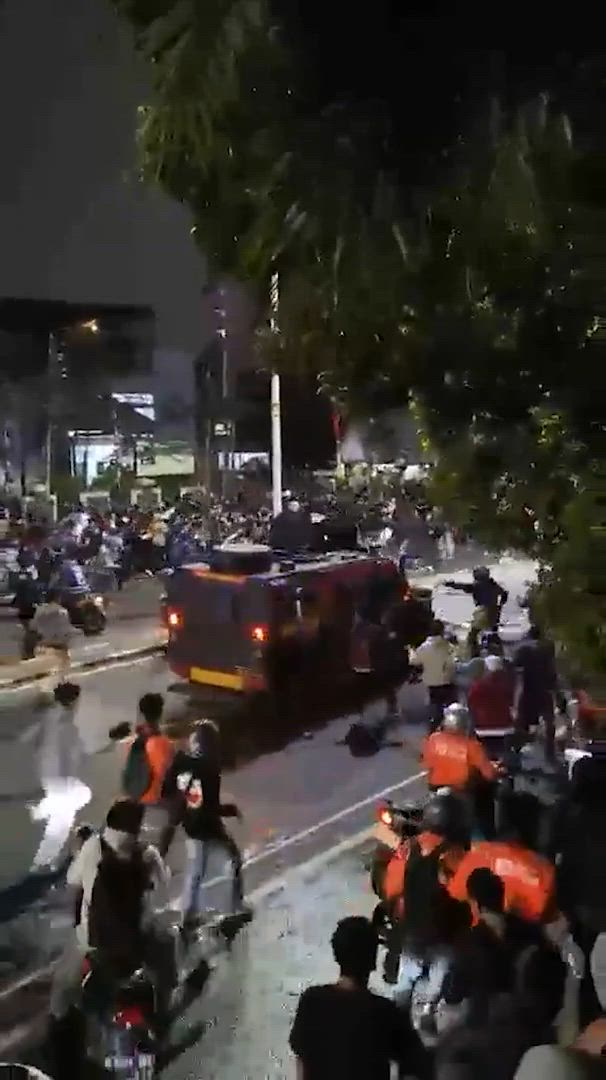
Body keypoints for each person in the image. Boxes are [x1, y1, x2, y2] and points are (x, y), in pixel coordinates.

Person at [48, 799, 174, 1067]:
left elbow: (72, 882)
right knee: (165, 967)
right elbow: (163, 888)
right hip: (136, 945)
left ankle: (61, 1055)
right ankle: (160, 1029)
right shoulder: (146, 853)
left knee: (61, 992)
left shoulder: (93, 848)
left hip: (93, 943)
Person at [289, 915, 427, 1080]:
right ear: (372, 959)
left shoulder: (311, 1001)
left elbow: (302, 1062)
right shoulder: (385, 1012)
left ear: (337, 955)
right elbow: (417, 1065)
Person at [161, 720, 249, 929]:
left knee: (196, 871)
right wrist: (227, 810)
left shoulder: (183, 765)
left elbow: (173, 794)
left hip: (191, 825)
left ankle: (189, 916)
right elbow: (208, 804)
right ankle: (235, 907)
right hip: (207, 825)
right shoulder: (209, 767)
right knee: (233, 860)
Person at [381, 791, 470, 991]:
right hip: (438, 933)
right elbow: (462, 894)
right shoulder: (454, 853)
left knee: (404, 982)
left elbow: (390, 887)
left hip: (406, 927)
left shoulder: (408, 847)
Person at [556, 755, 606, 1026]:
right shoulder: (574, 818)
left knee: (585, 972)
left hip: (585, 910)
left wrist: (564, 905)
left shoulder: (571, 818)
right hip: (589, 908)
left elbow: (565, 867)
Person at [24, 682, 90, 871]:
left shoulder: (54, 717)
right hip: (59, 779)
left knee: (66, 814)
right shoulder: (65, 723)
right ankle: (43, 858)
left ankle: (43, 857)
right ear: (73, 702)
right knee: (65, 815)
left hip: (52, 777)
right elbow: (69, 753)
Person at [122, 694, 175, 854]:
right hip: (155, 800)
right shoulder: (163, 743)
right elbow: (166, 773)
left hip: (133, 797)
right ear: (160, 714)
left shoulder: (132, 742)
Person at [421, 703, 498, 796]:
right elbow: (488, 773)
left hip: (435, 787)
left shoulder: (434, 739)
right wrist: (495, 771)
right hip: (461, 789)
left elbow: (426, 762)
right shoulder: (471, 745)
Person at [513, 625, 558, 758]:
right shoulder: (547, 648)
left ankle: (519, 752)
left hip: (528, 690)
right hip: (544, 690)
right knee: (548, 722)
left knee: (522, 722)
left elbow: (517, 672)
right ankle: (550, 752)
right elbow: (552, 670)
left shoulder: (522, 649)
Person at [443, 567, 509, 657]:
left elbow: (464, 586)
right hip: (494, 613)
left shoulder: (478, 585)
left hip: (483, 612)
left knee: (472, 636)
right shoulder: (493, 584)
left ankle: (473, 656)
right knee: (493, 633)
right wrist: (500, 606)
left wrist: (450, 584)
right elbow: (504, 594)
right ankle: (499, 654)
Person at [411, 620, 458, 730]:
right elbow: (453, 662)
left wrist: (411, 651)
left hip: (430, 682)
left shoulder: (423, 648)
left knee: (435, 705)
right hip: (446, 681)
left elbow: (414, 661)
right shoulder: (447, 646)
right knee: (448, 704)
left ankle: (434, 727)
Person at [30, 588, 72, 690]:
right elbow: (65, 630)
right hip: (58, 646)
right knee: (64, 668)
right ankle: (62, 685)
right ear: (58, 598)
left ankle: (41, 690)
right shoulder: (62, 611)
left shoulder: (39, 610)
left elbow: (32, 627)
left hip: (42, 645)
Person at [467, 654, 516, 738]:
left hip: (483, 728)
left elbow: (471, 705)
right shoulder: (508, 683)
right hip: (505, 727)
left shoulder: (478, 686)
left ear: (486, 668)